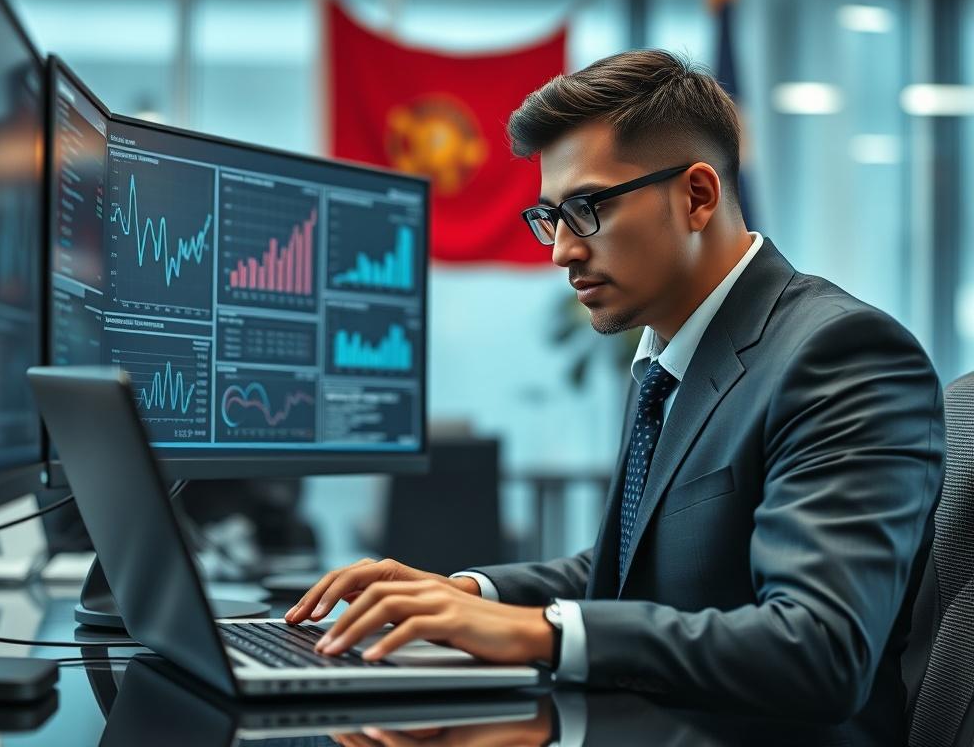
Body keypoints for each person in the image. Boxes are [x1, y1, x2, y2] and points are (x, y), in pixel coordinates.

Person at [286, 50, 944, 742]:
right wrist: (469, 594)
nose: (561, 251)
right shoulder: (668, 358)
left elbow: (819, 649)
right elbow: (632, 574)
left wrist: (539, 632)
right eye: (549, 217)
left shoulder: (841, 354)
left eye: (586, 209)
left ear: (697, 196)